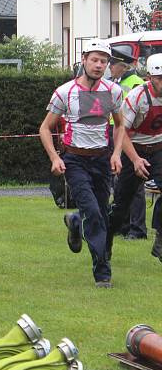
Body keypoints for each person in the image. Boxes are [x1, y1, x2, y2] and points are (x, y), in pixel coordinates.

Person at [39, 39, 125, 288]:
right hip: (75, 160)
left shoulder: (113, 92)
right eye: (95, 60)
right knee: (96, 215)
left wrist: (116, 154)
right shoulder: (65, 92)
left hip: (101, 159)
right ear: (84, 60)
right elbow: (45, 128)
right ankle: (102, 273)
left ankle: (75, 222)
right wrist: (55, 158)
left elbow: (120, 126)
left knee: (100, 214)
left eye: (104, 61)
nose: (99, 65)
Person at [108, 53, 162, 264]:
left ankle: (160, 238)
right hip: (133, 149)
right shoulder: (137, 96)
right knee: (121, 206)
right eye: (160, 79)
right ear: (150, 78)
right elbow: (121, 132)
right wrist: (135, 159)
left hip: (158, 148)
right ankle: (106, 242)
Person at [108, 47, 147, 240]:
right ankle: (122, 226)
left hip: (130, 137)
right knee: (120, 182)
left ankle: (137, 229)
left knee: (135, 184)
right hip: (115, 133)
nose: (109, 68)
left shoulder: (135, 82)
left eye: (112, 64)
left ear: (122, 66)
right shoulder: (117, 82)